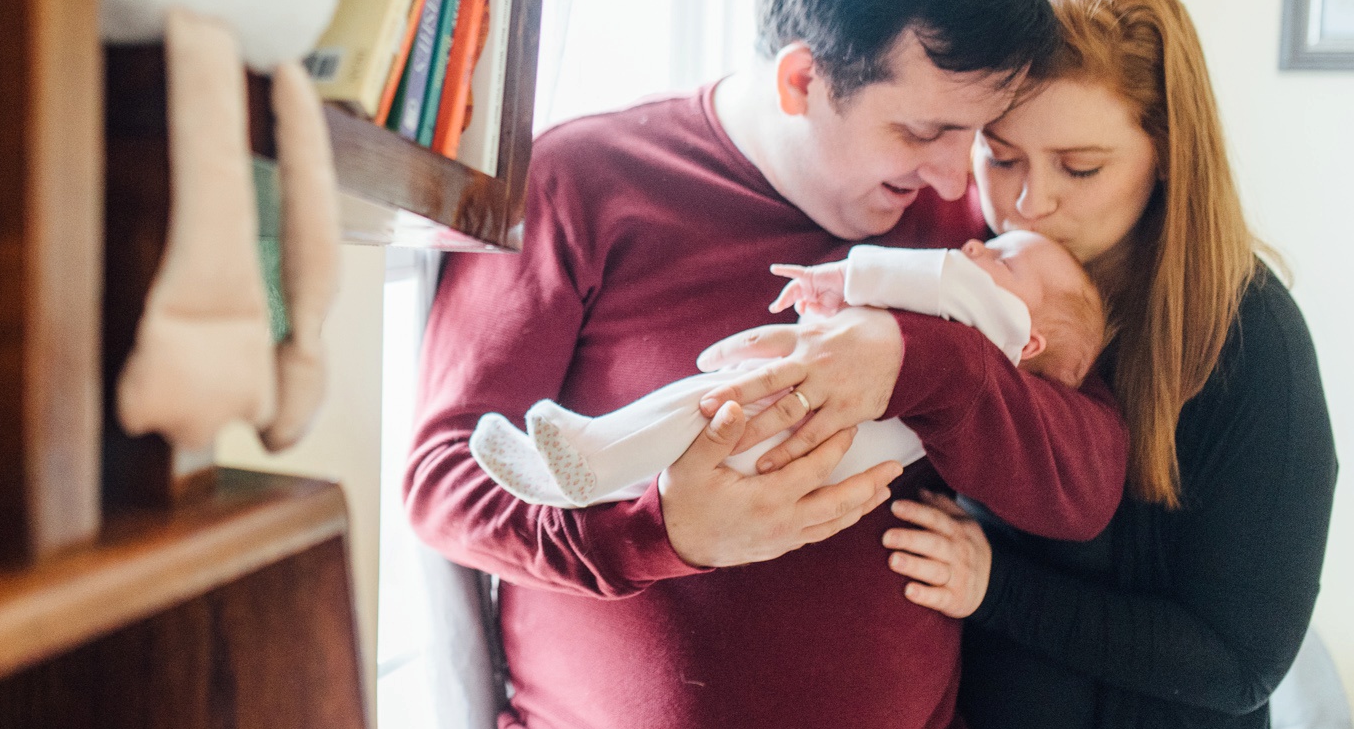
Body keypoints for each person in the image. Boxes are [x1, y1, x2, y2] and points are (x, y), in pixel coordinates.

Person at [405, 0, 1130, 729]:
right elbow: (446, 479)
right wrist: (660, 531)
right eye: (922, 130)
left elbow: (1081, 481)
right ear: (800, 79)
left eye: (972, 134)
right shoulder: (582, 182)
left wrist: (918, 355)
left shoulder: (965, 241)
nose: (961, 178)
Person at [874, 0, 1339, 729]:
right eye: (999, 158)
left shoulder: (1247, 339)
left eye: (1078, 166)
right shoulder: (971, 277)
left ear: (1164, 153)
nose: (1027, 202)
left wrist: (995, 586)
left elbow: (1238, 659)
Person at [470, 230, 1104, 508]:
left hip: (808, 432)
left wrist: (843, 276)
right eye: (992, 244)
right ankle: (577, 476)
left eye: (1003, 259)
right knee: (691, 427)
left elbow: (942, 279)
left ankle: (592, 456)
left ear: (1032, 343)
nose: (974, 248)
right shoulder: (978, 334)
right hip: (810, 435)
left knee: (706, 408)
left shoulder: (1001, 332)